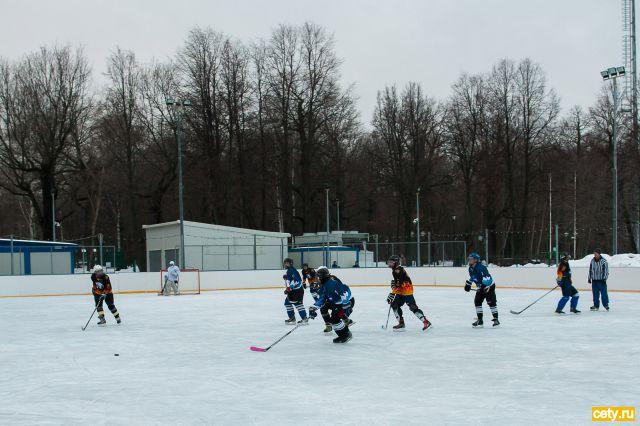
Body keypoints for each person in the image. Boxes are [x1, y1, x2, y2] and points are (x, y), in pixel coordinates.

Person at [309, 266, 355, 343]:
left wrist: (346, 303)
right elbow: (322, 298)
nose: (317, 279)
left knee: (335, 319)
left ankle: (346, 335)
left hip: (347, 303)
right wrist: (314, 307)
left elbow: (346, 290)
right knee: (333, 320)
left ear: (323, 277)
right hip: (337, 303)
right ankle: (344, 334)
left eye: (318, 277)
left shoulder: (332, 284)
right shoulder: (325, 285)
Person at [386, 255, 431, 331]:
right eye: (389, 262)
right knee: (394, 305)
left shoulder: (398, 270)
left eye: (391, 262)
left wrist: (392, 293)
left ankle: (426, 322)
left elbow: (399, 284)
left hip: (407, 290)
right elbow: (398, 283)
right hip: (401, 290)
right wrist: (394, 289)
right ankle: (401, 323)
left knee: (413, 307)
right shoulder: (395, 270)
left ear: (396, 262)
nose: (389, 264)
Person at [465, 252, 499, 327]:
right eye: (469, 259)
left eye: (471, 259)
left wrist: (484, 287)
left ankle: (496, 319)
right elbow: (474, 277)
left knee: (491, 302)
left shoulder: (481, 268)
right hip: (481, 287)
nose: (469, 260)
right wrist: (469, 283)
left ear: (476, 260)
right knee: (477, 301)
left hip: (489, 286)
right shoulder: (470, 268)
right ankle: (480, 320)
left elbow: (487, 279)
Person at [283, 258, 308, 325]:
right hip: (294, 291)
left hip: (297, 291)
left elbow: (297, 281)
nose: (285, 264)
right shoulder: (289, 270)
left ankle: (304, 319)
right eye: (285, 263)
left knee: (298, 304)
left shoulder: (292, 270)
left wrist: (289, 289)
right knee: (287, 303)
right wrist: (287, 277)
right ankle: (292, 318)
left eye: (287, 263)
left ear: (290, 263)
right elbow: (292, 280)